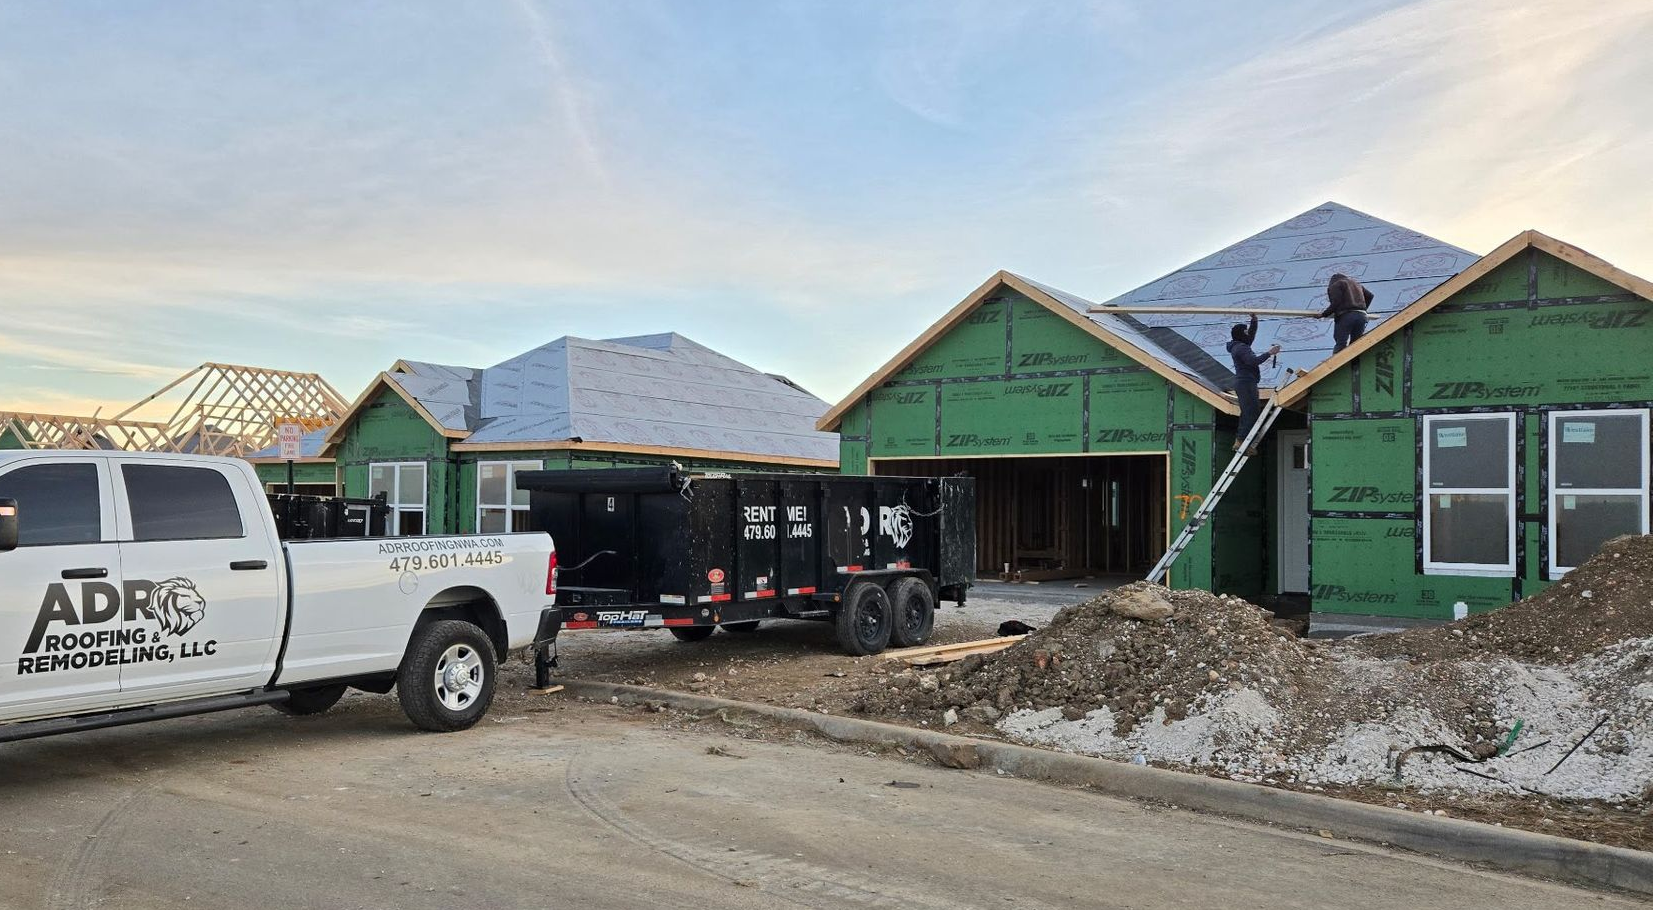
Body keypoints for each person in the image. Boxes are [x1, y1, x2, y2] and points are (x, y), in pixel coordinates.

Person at [1227, 314, 1280, 455]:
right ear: (1240, 334)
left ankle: (1243, 443)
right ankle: (1240, 442)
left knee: (1248, 413)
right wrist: (1270, 353)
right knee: (1251, 414)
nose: (1247, 333)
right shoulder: (1241, 348)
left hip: (1245, 382)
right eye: (1245, 331)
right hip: (1246, 382)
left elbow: (1250, 335)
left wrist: (1254, 321)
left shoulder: (1239, 345)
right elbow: (1253, 361)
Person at [1321, 272, 1374, 353]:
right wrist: (1363, 308)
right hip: (1361, 316)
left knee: (1341, 343)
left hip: (1346, 316)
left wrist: (1323, 314)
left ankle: (1336, 363)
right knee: (1356, 344)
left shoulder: (1336, 285)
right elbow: (1370, 296)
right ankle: (1355, 364)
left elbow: (1336, 302)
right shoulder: (1356, 284)